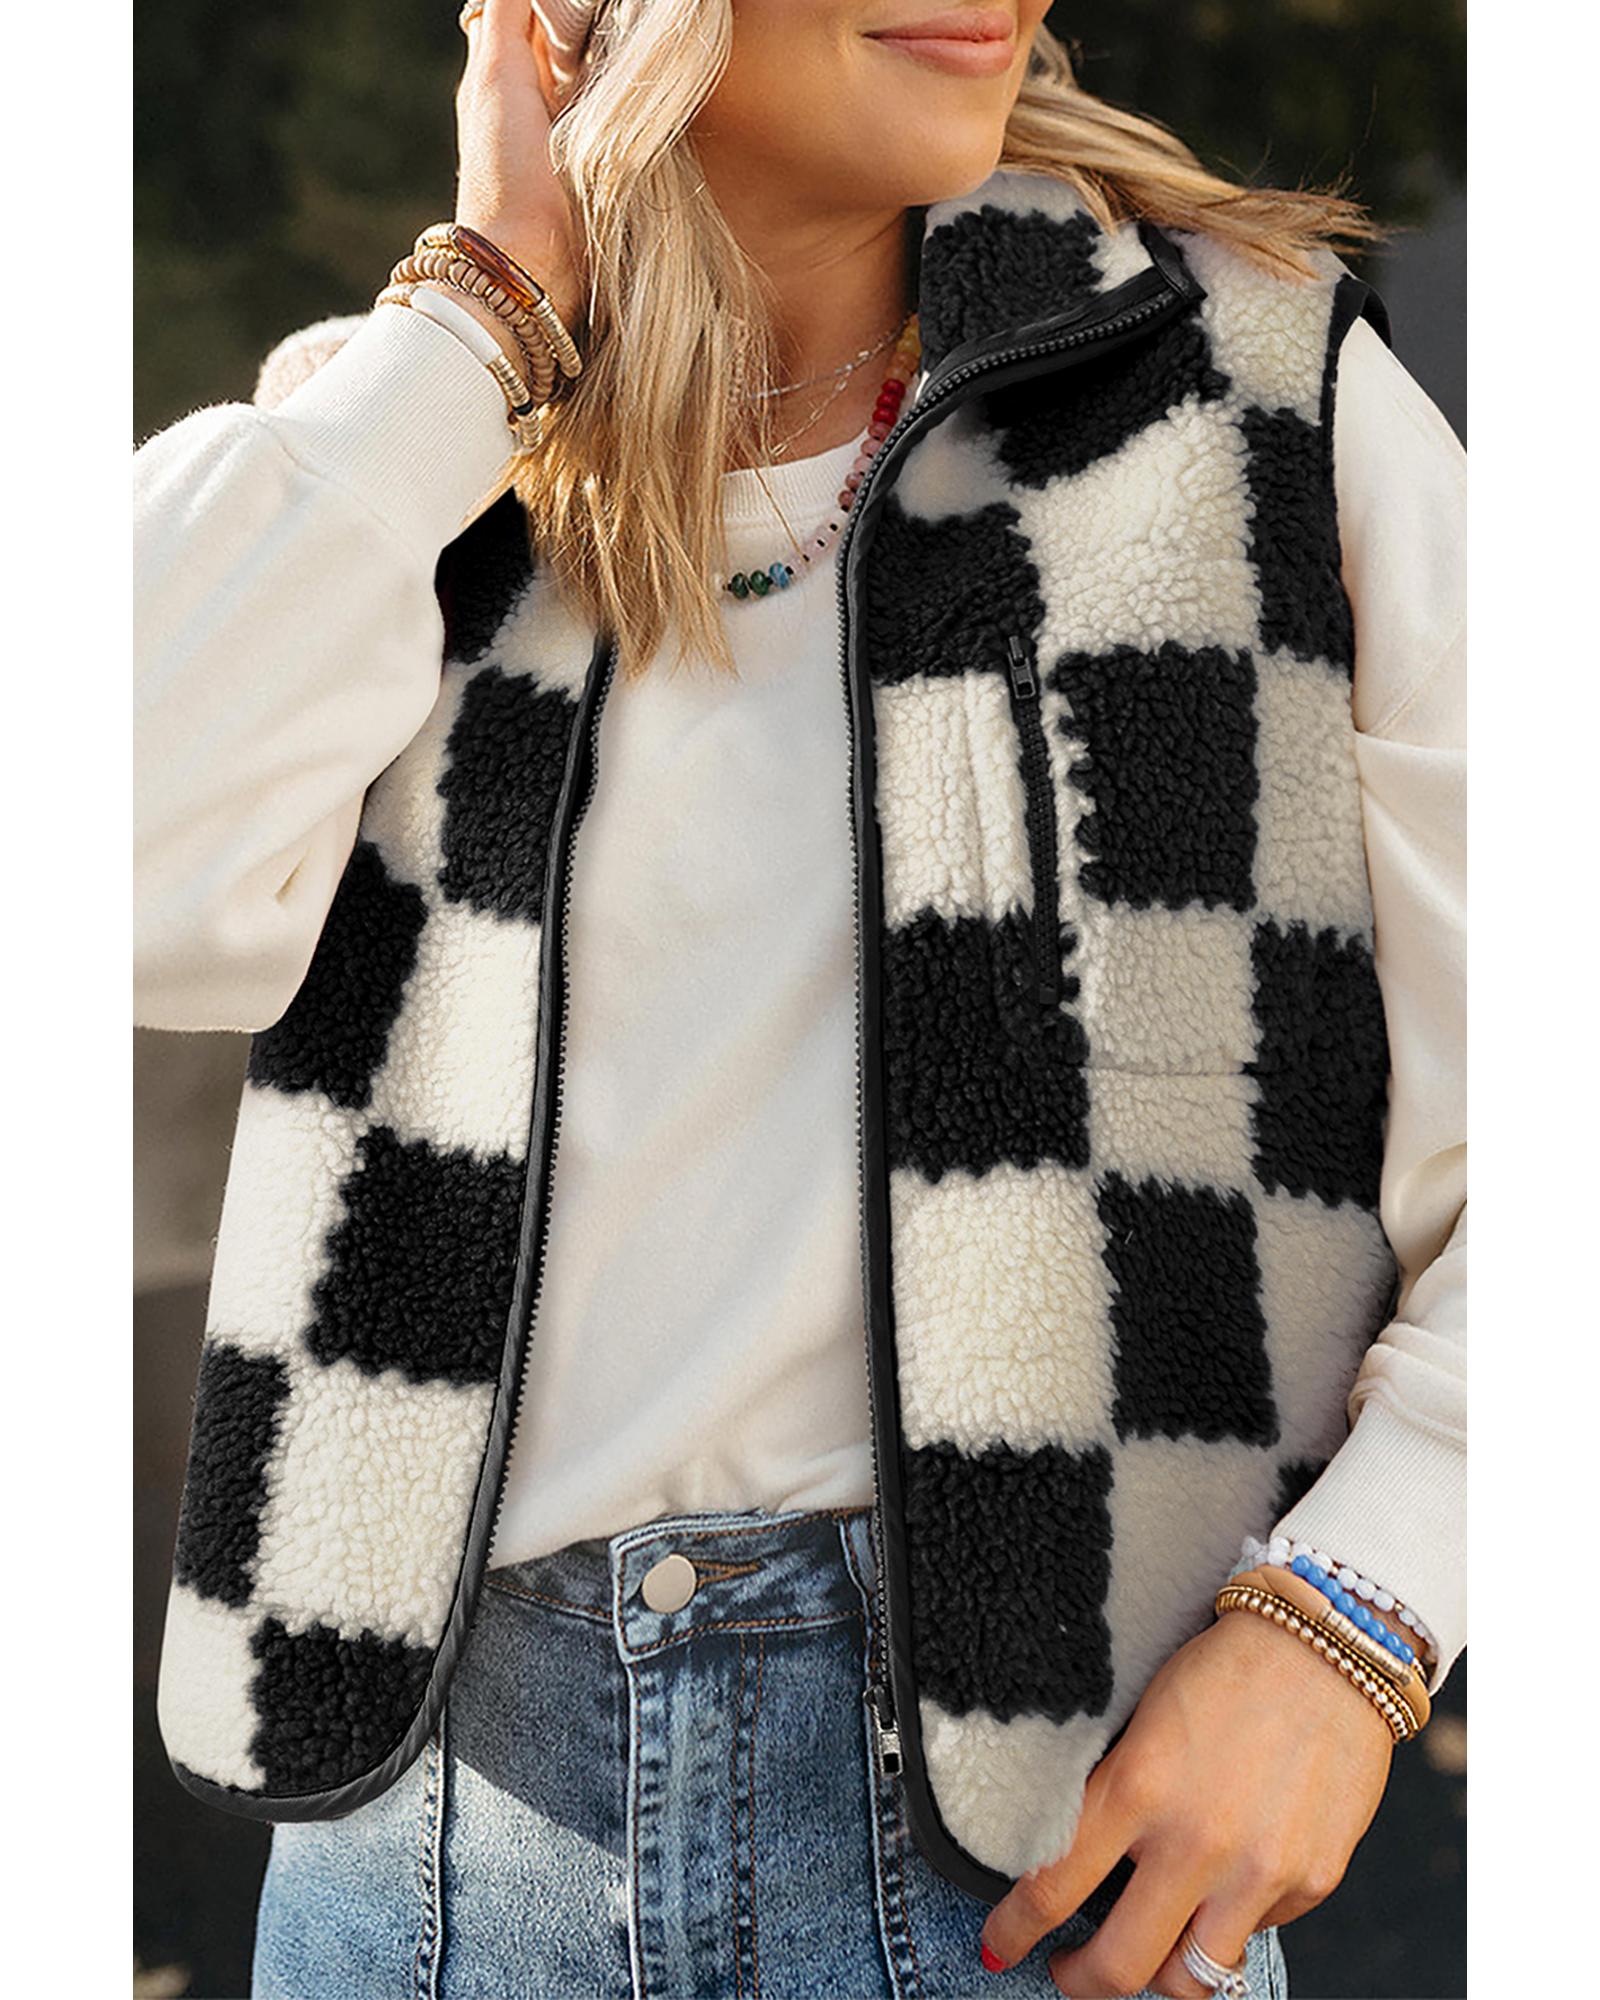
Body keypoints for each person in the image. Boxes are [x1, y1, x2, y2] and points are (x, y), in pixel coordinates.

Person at [132, 2, 1466, 1995]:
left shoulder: (1259, 396)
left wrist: (1350, 1626)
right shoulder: (394, 451)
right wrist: (481, 305)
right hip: (423, 1860)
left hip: (1021, 1865)